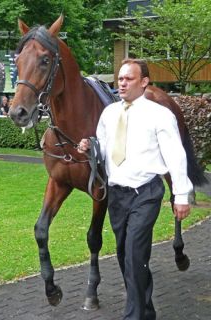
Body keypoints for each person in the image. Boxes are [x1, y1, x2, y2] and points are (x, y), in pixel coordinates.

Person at [78, 59, 193, 320]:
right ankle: (146, 311)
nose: (122, 82)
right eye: (120, 78)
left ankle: (134, 316)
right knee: (125, 257)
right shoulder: (109, 114)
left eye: (128, 78)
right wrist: (91, 146)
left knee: (134, 255)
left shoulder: (159, 114)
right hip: (117, 196)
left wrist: (181, 195)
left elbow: (176, 155)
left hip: (146, 193)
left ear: (144, 82)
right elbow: (106, 150)